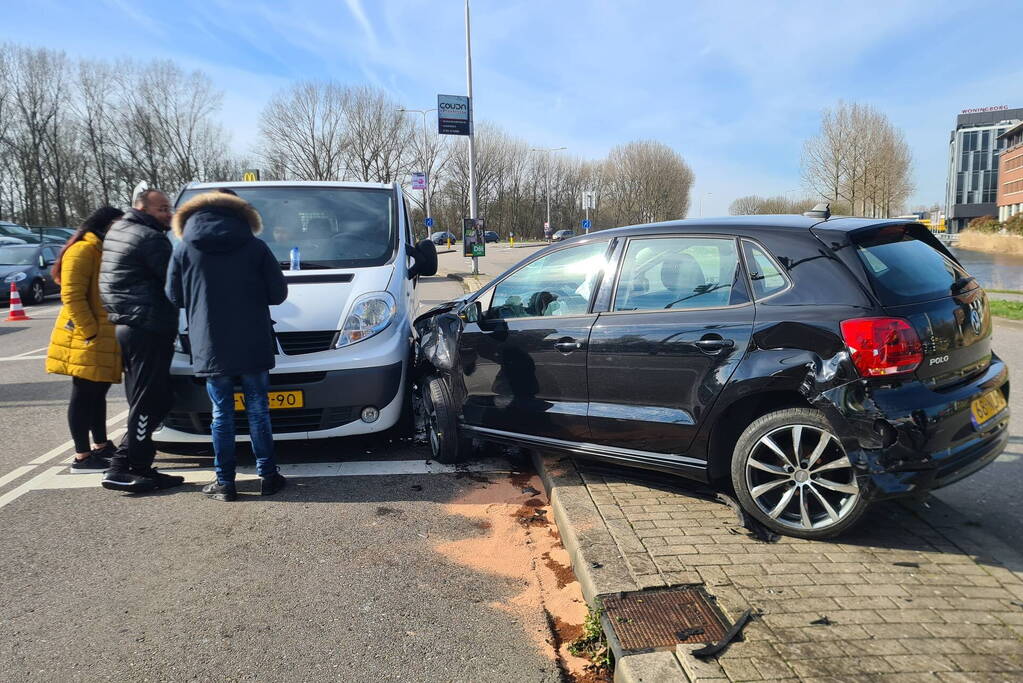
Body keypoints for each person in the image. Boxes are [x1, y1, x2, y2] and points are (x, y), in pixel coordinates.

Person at [167, 191, 288, 502]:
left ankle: (225, 482)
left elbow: (174, 296)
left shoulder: (184, 248)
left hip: (210, 342)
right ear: (240, 213)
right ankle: (268, 475)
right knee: (258, 409)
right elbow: (278, 294)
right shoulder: (255, 247)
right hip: (252, 339)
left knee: (222, 413)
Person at [99, 189, 184, 493]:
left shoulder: (120, 230)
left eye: (170, 208)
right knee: (149, 399)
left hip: (129, 324)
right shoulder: (150, 238)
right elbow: (176, 283)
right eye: (162, 209)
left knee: (152, 398)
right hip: (148, 326)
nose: (169, 214)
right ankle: (123, 467)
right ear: (143, 208)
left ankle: (139, 465)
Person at [45, 206, 124, 472]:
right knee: (83, 394)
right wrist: (89, 331)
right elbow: (72, 296)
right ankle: (81, 455)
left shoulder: (99, 249)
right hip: (84, 336)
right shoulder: (83, 250)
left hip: (100, 334)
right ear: (105, 225)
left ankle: (101, 446)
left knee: (97, 392)